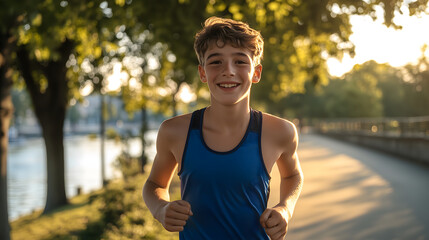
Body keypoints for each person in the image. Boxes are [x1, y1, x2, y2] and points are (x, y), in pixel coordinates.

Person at [143, 16, 304, 240]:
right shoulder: (174, 132)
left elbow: (293, 176)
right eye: (216, 62)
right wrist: (160, 209)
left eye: (240, 61)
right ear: (202, 73)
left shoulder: (280, 132)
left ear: (256, 73)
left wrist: (285, 208)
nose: (228, 70)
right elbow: (154, 184)